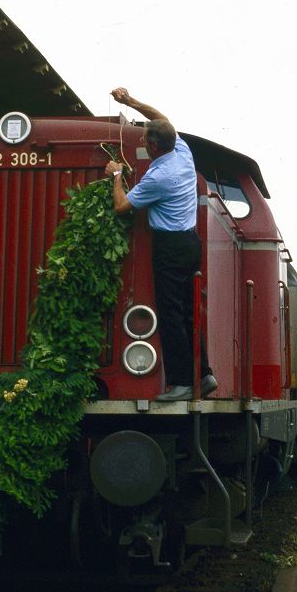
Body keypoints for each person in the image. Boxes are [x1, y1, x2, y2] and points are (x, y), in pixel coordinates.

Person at [104, 87, 217, 402]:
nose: (143, 144)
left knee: (170, 316)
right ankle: (205, 375)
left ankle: (181, 383)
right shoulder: (182, 152)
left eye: (145, 142)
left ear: (154, 145)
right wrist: (130, 102)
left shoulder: (159, 178)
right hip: (190, 243)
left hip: (168, 247)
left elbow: (121, 206)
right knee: (189, 314)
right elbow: (162, 119)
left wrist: (115, 175)